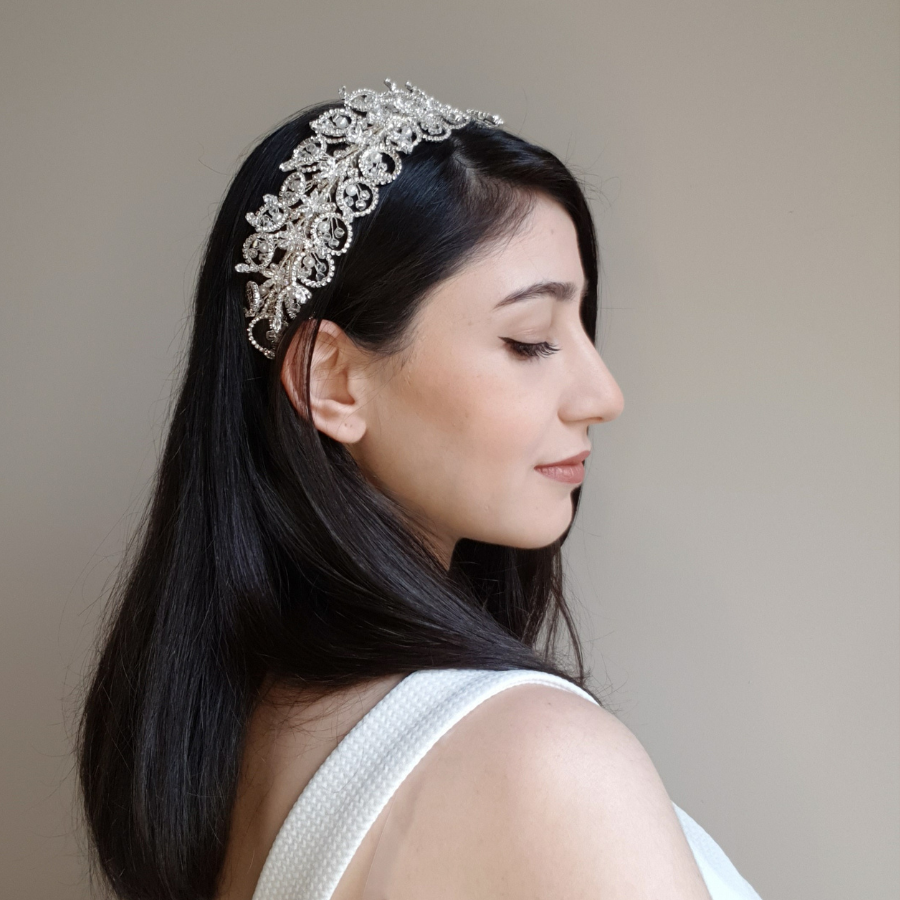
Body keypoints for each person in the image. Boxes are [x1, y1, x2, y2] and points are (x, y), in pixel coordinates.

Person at [76, 79, 763, 900]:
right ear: (331, 378)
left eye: (583, 328)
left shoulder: (237, 754)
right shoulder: (541, 759)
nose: (603, 393)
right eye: (531, 339)